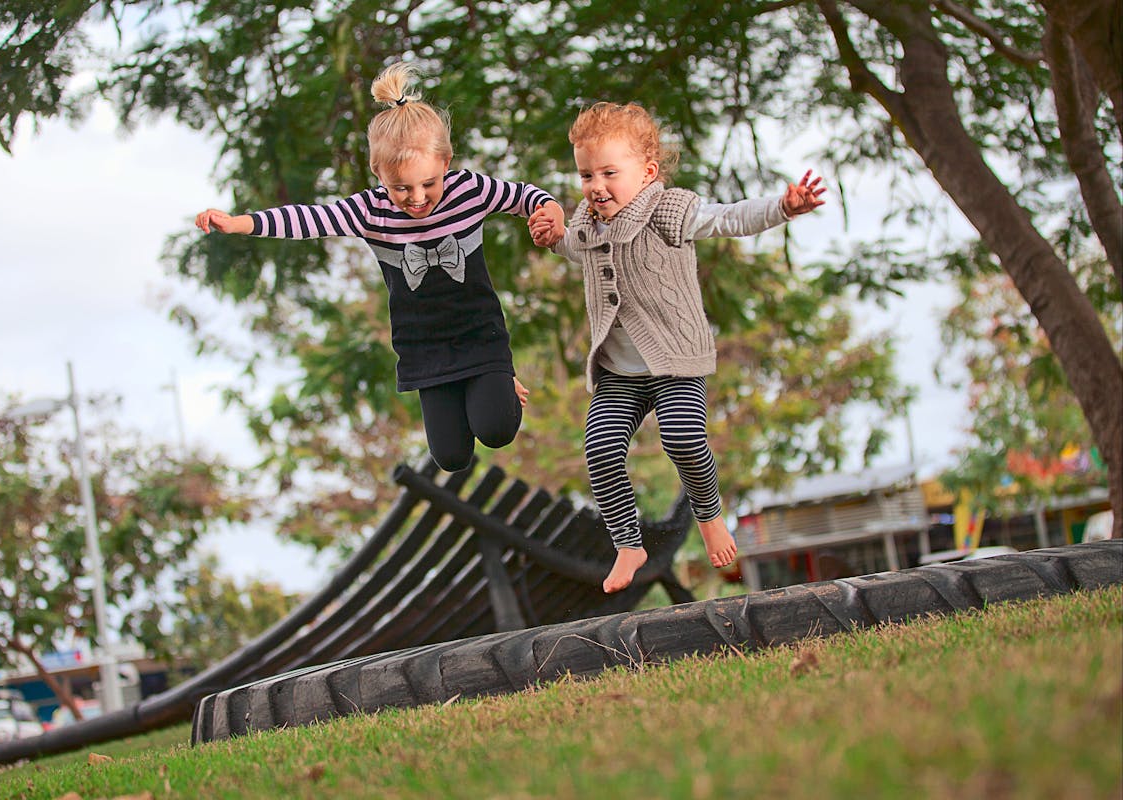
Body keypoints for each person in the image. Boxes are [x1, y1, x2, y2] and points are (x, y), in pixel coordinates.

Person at [196, 62, 565, 472]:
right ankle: (483, 386)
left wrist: (552, 213)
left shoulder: (469, 189)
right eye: (401, 188)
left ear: (445, 163)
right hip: (424, 346)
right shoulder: (371, 210)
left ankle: (495, 381)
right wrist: (239, 223)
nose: (418, 197)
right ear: (379, 175)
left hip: (481, 335)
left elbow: (526, 195)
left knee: (495, 430)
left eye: (428, 183)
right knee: (452, 458)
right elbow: (307, 220)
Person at [528, 102, 824, 593]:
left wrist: (783, 207)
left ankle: (710, 517)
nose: (595, 186)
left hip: (675, 360)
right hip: (619, 371)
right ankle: (628, 543)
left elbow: (729, 219)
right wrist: (555, 235)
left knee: (683, 439)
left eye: (608, 173)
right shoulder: (588, 221)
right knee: (600, 450)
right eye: (585, 174)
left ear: (646, 173)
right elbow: (575, 247)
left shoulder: (670, 211)